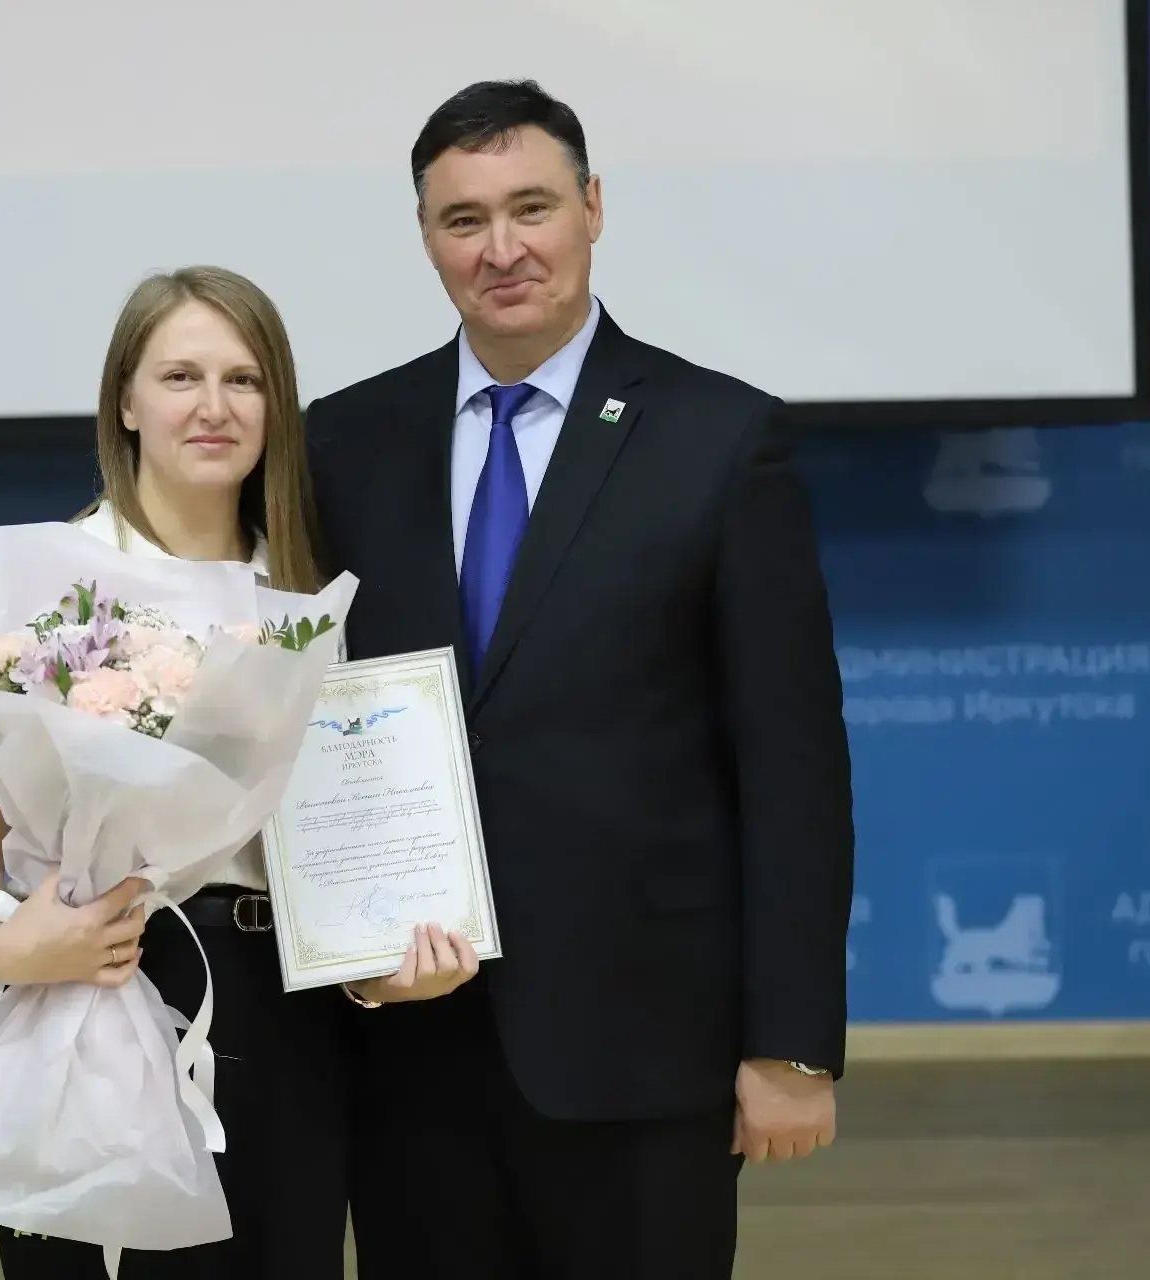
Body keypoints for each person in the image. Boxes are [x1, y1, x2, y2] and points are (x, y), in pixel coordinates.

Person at [305, 80, 857, 1278]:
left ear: (593, 208)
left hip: (645, 1048)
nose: (501, 249)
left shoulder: (720, 436)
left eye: (532, 207)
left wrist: (793, 1042)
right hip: (408, 1049)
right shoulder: (340, 442)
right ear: (425, 236)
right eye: (463, 219)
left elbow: (793, 764)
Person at [0, 265, 356, 1279]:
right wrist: (7, 939)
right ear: (126, 400)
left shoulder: (310, 597)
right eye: (180, 377)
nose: (214, 407)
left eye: (244, 380)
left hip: (289, 1013)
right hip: (95, 983)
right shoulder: (42, 592)